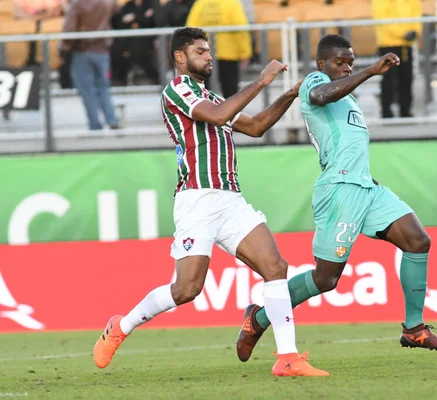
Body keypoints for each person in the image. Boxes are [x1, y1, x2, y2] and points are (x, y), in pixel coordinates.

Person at [93, 27, 328, 378]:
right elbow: (218, 118)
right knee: (187, 289)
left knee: (275, 267)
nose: (209, 56)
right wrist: (261, 82)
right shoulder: (177, 90)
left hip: (230, 199)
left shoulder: (214, 97)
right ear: (179, 57)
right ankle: (121, 325)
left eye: (209, 51)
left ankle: (288, 358)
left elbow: (257, 126)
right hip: (197, 200)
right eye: (201, 51)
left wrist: (291, 93)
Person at [236, 34, 437, 363]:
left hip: (366, 188)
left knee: (417, 240)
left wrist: (368, 179)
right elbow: (320, 95)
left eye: (350, 62)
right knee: (326, 279)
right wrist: (368, 71)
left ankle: (414, 329)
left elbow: (350, 145)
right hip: (339, 190)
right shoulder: (316, 82)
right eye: (340, 62)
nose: (346, 67)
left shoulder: (349, 100)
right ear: (322, 63)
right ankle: (260, 317)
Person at [61, 0, 120, 130]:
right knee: (103, 87)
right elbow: (117, 14)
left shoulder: (78, 4)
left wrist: (65, 47)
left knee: (86, 89)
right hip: (102, 49)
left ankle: (95, 123)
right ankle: (111, 119)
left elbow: (70, 29)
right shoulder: (108, 2)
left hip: (83, 50)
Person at [185, 0, 252, 98]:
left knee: (205, 94)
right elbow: (241, 30)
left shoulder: (200, 4)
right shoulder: (232, 4)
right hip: (228, 54)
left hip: (203, 56)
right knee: (231, 96)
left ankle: (208, 113)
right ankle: (230, 113)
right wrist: (245, 53)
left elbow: (190, 30)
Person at [372, 0, 422, 118]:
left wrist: (415, 31)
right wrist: (403, 34)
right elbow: (382, 19)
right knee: (389, 79)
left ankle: (406, 111)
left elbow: (417, 17)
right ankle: (386, 112)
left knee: (406, 78)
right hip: (388, 44)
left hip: (405, 46)